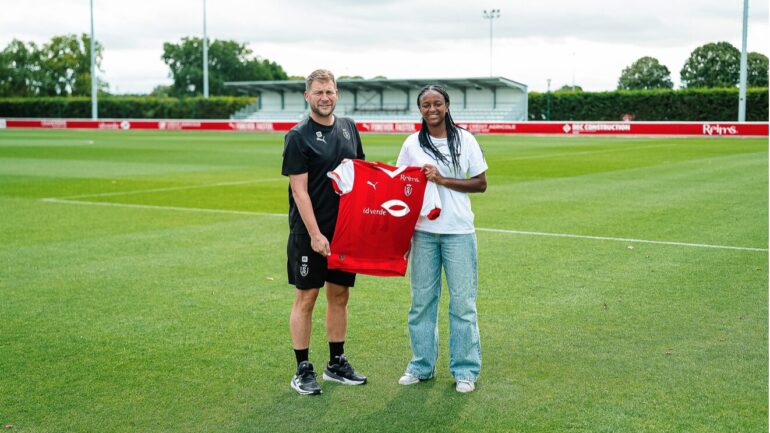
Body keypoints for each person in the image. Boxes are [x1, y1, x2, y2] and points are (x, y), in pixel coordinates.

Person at [395, 84, 488, 393]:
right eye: (425, 105)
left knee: (462, 304)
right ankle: (421, 366)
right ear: (420, 109)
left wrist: (441, 179)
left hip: (458, 231)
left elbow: (480, 184)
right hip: (423, 232)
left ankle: (465, 370)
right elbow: (402, 187)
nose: (431, 109)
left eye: (437, 103)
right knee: (422, 302)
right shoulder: (412, 144)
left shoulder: (465, 140)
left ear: (447, 105)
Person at [281, 69, 367, 396]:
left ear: (337, 93)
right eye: (318, 92)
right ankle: (303, 368)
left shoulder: (349, 128)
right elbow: (300, 192)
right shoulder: (298, 136)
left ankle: (336, 362)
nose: (325, 97)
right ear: (307, 96)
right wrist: (316, 235)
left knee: (340, 296)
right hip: (310, 235)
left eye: (329, 91)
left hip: (344, 231)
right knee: (307, 297)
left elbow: (359, 175)